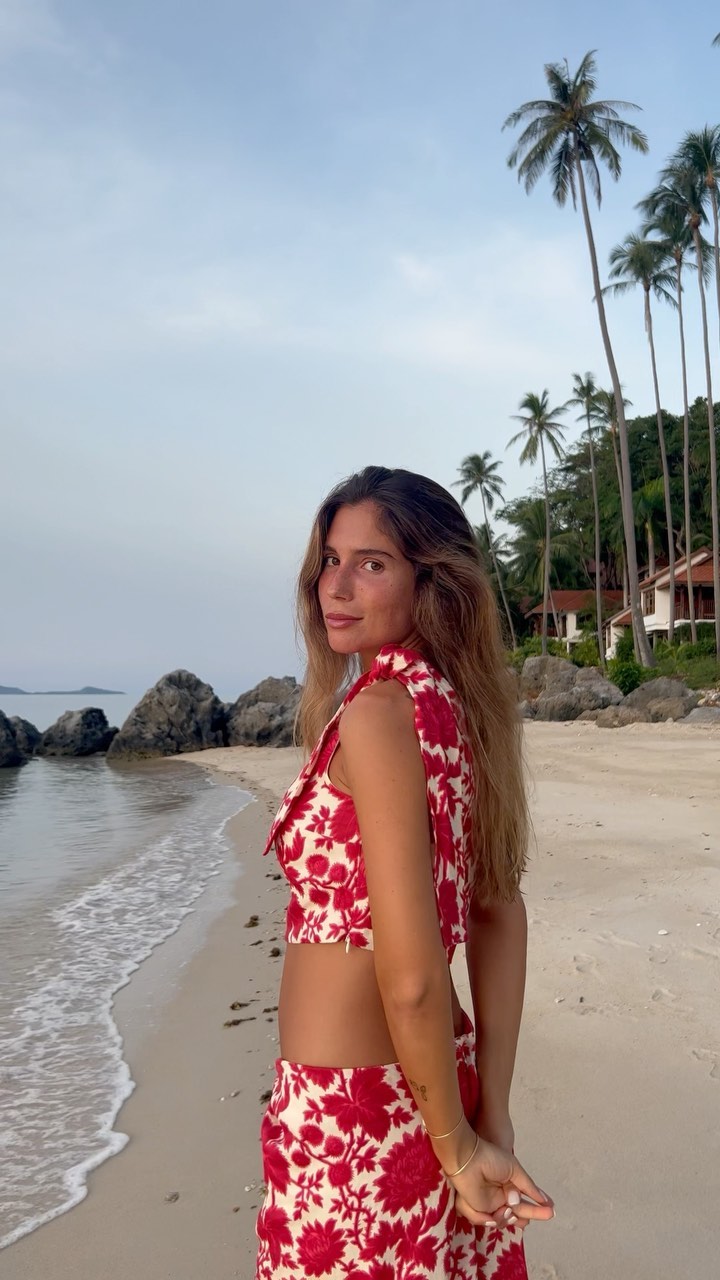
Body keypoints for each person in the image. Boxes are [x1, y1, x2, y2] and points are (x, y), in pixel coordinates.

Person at [255, 466, 554, 1279]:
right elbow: (498, 911)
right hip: (437, 1085)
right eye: (330, 560)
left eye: (372, 563)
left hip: (349, 1119)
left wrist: (458, 1145)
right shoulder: (459, 710)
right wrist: (486, 1113)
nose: (336, 586)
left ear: (433, 582)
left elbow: (414, 979)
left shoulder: (380, 714)